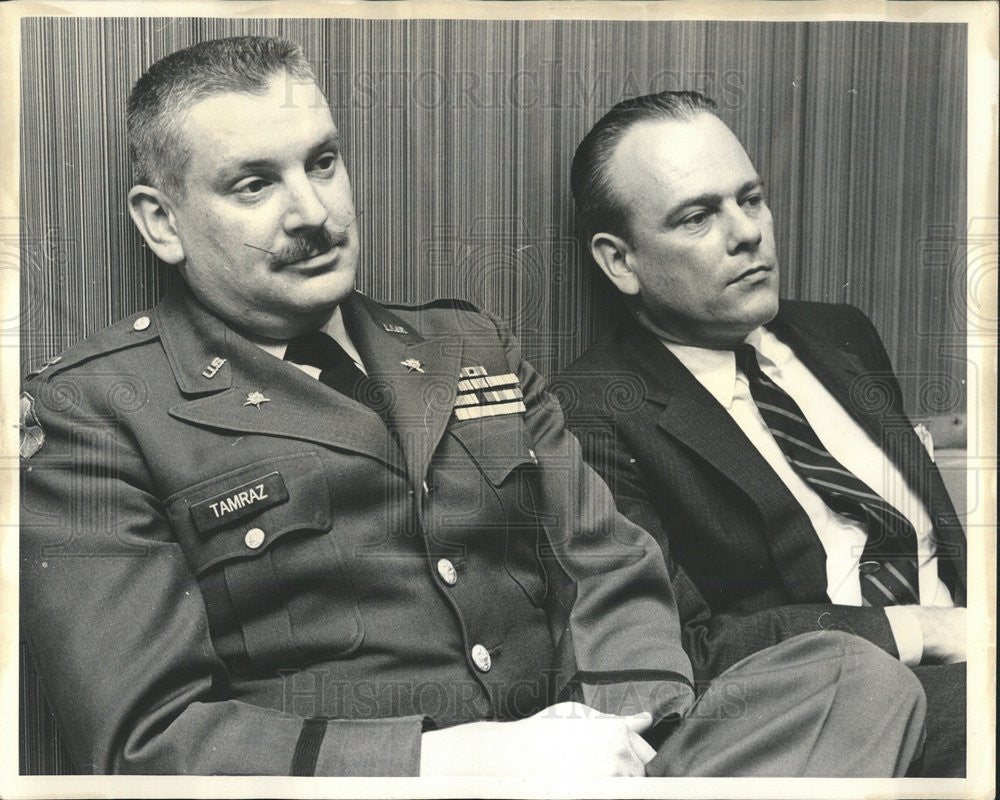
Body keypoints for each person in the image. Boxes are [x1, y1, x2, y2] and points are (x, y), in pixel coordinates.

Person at [20, 39, 927, 777]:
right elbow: (148, 739)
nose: (314, 211)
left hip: (590, 759)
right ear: (161, 221)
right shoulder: (93, 411)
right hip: (389, 782)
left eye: (325, 164)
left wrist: (628, 733)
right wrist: (458, 763)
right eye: (254, 184)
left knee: (852, 677)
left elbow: (605, 563)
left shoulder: (468, 346)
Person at [558, 90, 966, 777]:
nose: (747, 232)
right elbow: (682, 652)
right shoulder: (594, 414)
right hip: (845, 711)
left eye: (751, 199)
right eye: (698, 216)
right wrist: (925, 630)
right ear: (619, 260)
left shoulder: (840, 333)